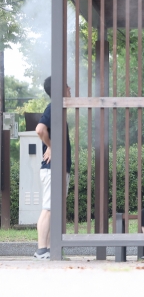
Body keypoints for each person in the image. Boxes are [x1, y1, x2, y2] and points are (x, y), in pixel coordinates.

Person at [34, 76, 72, 260]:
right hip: (52, 169)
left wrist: (51, 145)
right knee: (48, 208)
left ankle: (48, 249)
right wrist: (52, 146)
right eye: (66, 86)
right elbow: (40, 129)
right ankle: (41, 249)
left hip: (56, 169)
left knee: (53, 209)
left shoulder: (58, 110)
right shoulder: (53, 107)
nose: (70, 88)